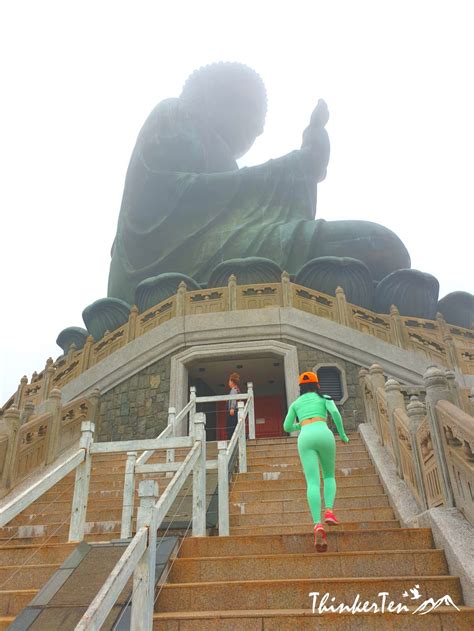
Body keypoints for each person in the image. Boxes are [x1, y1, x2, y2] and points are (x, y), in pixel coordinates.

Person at [283, 371, 349, 552]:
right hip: (323, 432)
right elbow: (335, 414)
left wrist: (301, 424)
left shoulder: (296, 403)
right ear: (317, 385)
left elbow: (287, 427)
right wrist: (342, 435)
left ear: (301, 388)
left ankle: (317, 524)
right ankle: (329, 511)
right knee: (328, 476)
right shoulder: (324, 398)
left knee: (312, 482)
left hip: (305, 436)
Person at [226, 372, 241, 439]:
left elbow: (233, 399)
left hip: (233, 411)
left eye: (229, 381)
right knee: (234, 425)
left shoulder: (234, 390)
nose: (228, 383)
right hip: (236, 411)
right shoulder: (237, 389)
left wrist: (232, 408)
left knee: (231, 425)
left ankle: (232, 438)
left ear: (232, 381)